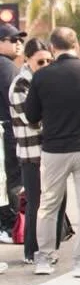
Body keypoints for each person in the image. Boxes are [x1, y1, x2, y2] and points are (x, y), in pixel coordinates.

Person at [24, 27, 80, 278]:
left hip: (54, 148)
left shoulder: (42, 76)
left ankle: (44, 259)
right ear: (77, 45)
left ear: (53, 48)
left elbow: (31, 115)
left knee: (48, 204)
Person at [8, 38, 58, 265]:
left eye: (49, 60)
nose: (46, 64)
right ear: (27, 59)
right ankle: (31, 250)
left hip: (52, 150)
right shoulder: (21, 83)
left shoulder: (47, 80)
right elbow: (31, 121)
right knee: (35, 202)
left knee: (55, 201)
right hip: (31, 152)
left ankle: (50, 247)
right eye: (41, 61)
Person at [0, 20, 21, 223]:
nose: (18, 43)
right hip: (8, 130)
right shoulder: (6, 66)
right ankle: (12, 222)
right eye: (13, 40)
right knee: (14, 178)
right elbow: (14, 101)